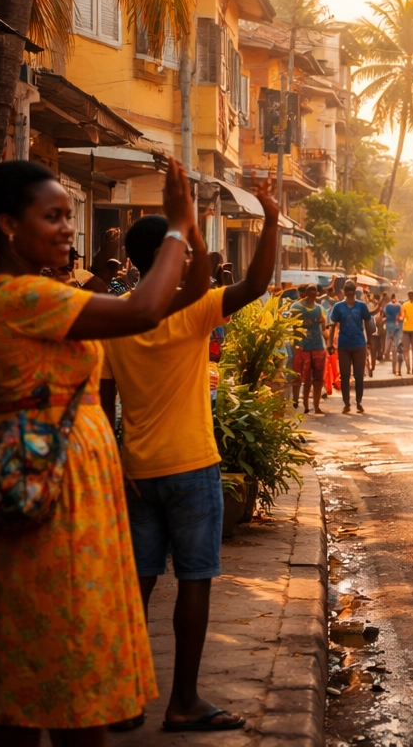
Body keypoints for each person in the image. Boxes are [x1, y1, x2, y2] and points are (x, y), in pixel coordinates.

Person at [0, 158, 198, 746]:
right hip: (55, 482)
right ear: (8, 225)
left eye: (67, 215)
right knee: (64, 643)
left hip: (38, 468)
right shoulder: (25, 294)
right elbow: (143, 309)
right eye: (51, 216)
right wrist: (178, 228)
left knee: (19, 655)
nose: (65, 228)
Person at [100, 179, 279, 734]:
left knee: (139, 585)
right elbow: (254, 283)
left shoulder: (117, 318)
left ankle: (123, 699)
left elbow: (105, 406)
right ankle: (182, 700)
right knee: (194, 581)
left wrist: (118, 465)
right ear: (166, 258)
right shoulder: (193, 310)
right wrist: (269, 217)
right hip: (192, 468)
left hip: (137, 470)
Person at [330, 281, 371, 413]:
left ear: (355, 290)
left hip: (359, 344)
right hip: (344, 345)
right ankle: (346, 403)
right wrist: (330, 344)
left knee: (359, 376)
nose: (350, 291)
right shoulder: (338, 307)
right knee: (345, 375)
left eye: (352, 289)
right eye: (347, 289)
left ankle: (359, 401)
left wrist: (370, 340)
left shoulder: (362, 306)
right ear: (344, 291)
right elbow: (332, 326)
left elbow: (368, 322)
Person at [289, 284, 329, 414]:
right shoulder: (296, 307)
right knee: (305, 379)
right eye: (310, 293)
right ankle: (305, 405)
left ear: (317, 294)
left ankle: (316, 406)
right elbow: (291, 325)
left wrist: (328, 343)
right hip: (303, 347)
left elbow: (324, 328)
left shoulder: (320, 309)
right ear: (306, 293)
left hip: (318, 346)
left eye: (314, 293)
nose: (312, 296)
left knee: (318, 380)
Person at [382, 293, 403, 375]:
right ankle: (398, 370)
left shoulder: (387, 306)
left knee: (391, 348)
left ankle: (386, 353)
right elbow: (401, 317)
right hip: (398, 329)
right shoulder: (399, 306)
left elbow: (384, 316)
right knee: (398, 350)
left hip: (390, 329)